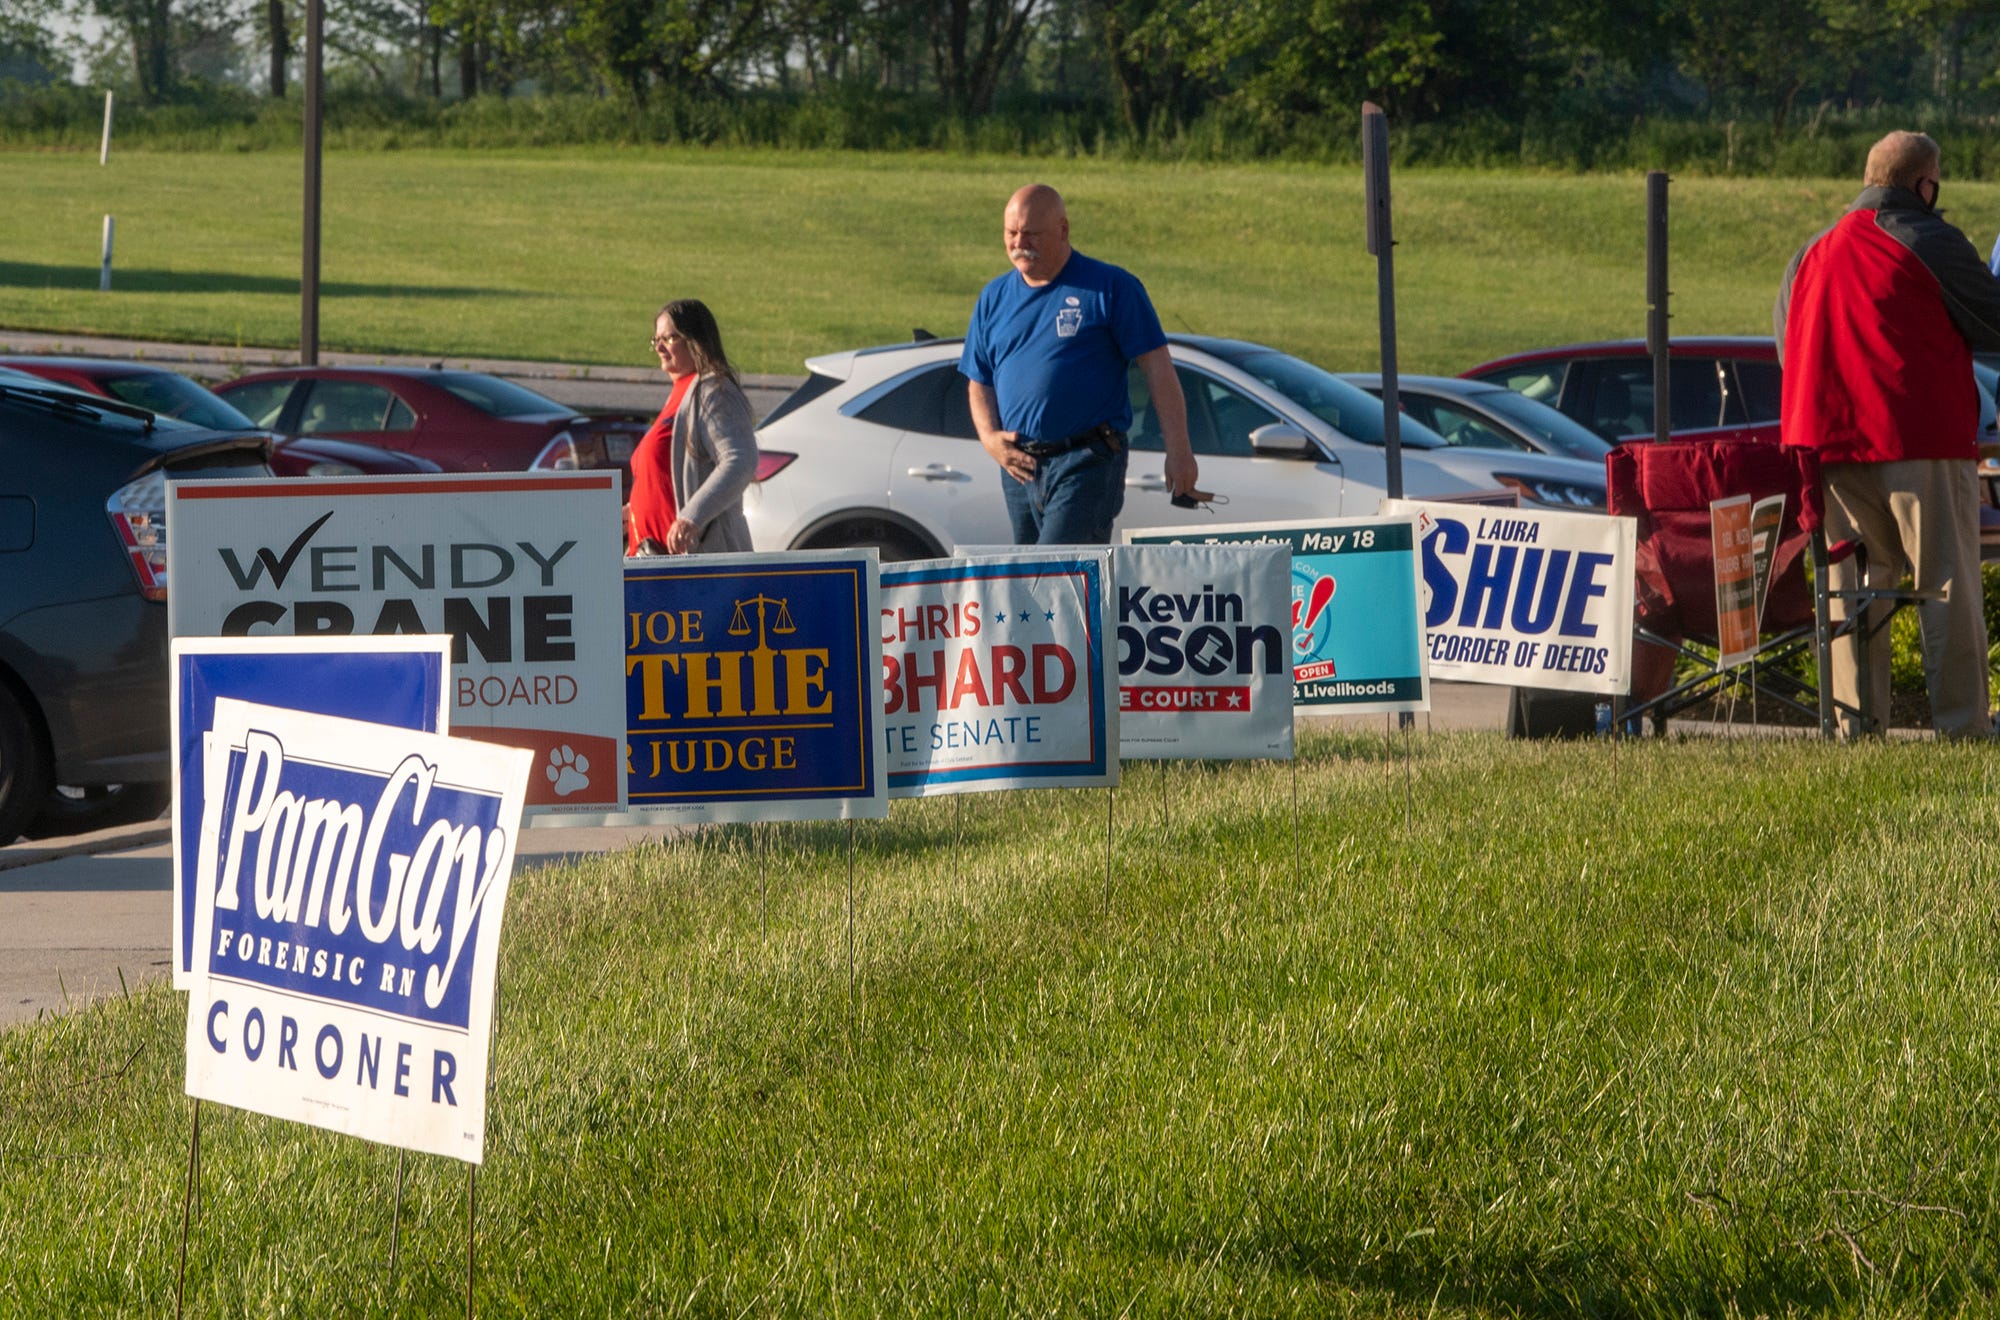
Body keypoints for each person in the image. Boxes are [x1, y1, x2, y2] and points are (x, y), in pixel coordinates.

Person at [1774, 129, 2000, 737]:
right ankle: (1963, 727)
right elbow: (1993, 319)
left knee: (1851, 589)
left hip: (1826, 448)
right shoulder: (1930, 239)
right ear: (1925, 185)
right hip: (1917, 441)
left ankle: (1854, 726)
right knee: (1945, 587)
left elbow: (1787, 347)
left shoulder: (1809, 253)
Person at [962, 183, 1199, 545]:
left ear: (1063, 230)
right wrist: (989, 438)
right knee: (1032, 587)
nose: (1019, 242)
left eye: (1031, 233)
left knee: (1059, 574)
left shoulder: (1110, 288)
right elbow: (978, 380)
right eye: (1011, 232)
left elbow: (1158, 368)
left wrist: (1179, 451)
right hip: (1019, 469)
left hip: (1085, 460)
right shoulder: (994, 297)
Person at [627, 299, 759, 556]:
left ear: (696, 340)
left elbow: (740, 460)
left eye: (670, 338)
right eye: (656, 340)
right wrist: (632, 510)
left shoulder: (713, 392)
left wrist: (692, 518)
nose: (660, 348)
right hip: (650, 563)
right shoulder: (677, 394)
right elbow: (667, 482)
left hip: (695, 571)